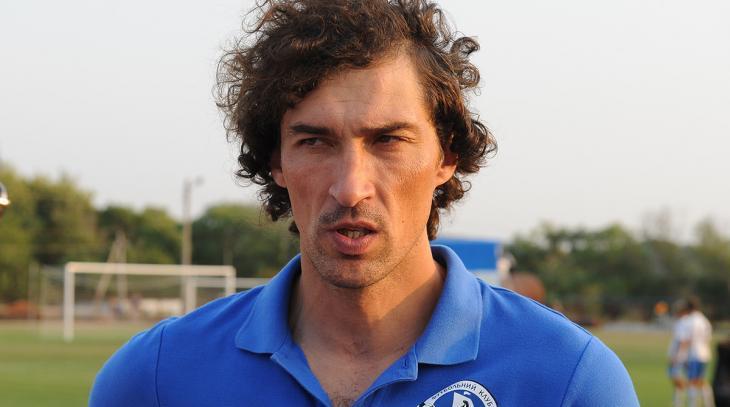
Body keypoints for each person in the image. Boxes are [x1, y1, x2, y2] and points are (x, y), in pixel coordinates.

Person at [90, 1, 639, 406]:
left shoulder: (569, 381)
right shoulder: (154, 378)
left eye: (388, 141)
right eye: (315, 142)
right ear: (275, 161)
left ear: (447, 156)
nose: (351, 188)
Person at [671, 298, 715, 407]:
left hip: (693, 355)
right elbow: (708, 338)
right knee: (701, 381)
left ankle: (693, 404)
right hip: (704, 354)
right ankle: (709, 403)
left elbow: (685, 340)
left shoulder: (688, 321)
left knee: (691, 382)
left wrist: (678, 356)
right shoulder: (704, 320)